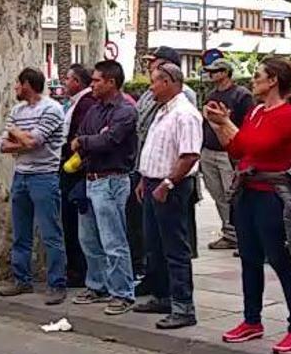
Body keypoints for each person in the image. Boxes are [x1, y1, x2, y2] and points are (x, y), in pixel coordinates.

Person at [205, 57, 291, 354]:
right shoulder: (255, 111)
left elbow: (258, 146)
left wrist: (226, 123)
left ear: (274, 80)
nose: (253, 80)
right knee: (249, 257)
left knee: (280, 259)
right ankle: (252, 320)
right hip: (247, 190)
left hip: (271, 194)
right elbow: (238, 149)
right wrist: (221, 125)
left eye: (258, 75)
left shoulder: (288, 115)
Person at [134, 63, 203, 329]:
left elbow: (189, 155)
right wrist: (145, 179)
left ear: (169, 81)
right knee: (155, 245)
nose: (150, 87)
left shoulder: (185, 114)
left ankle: (184, 305)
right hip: (152, 182)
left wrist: (167, 183)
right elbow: (155, 149)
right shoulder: (163, 112)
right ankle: (163, 296)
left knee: (175, 247)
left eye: (155, 81)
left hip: (171, 186)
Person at [0, 67, 69, 304]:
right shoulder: (17, 110)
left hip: (44, 176)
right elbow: (2, 145)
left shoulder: (52, 109)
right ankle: (21, 279)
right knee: (21, 232)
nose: (15, 88)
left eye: (18, 84)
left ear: (27, 84)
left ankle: (57, 283)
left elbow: (33, 141)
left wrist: (16, 132)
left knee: (50, 232)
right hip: (21, 175)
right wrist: (23, 140)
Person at [71, 60, 138, 315]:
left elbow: (108, 140)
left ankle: (122, 292)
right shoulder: (94, 110)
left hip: (112, 179)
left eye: (97, 80)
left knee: (113, 240)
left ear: (111, 82)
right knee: (88, 238)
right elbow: (83, 135)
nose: (93, 85)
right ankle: (97, 285)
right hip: (90, 178)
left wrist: (86, 141)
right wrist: (89, 140)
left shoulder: (125, 110)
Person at [200, 59, 253, 251]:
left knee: (233, 194)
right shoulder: (210, 94)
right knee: (218, 194)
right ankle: (230, 232)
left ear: (226, 72)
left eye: (216, 71)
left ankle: (242, 234)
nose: (212, 74)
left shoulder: (241, 95)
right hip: (209, 150)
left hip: (228, 153)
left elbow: (247, 124)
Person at [61, 64, 96, 287]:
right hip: (69, 168)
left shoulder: (86, 103)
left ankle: (79, 271)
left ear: (77, 82)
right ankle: (75, 269)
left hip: (77, 170)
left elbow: (80, 136)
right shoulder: (73, 104)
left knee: (75, 223)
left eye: (67, 79)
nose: (64, 83)